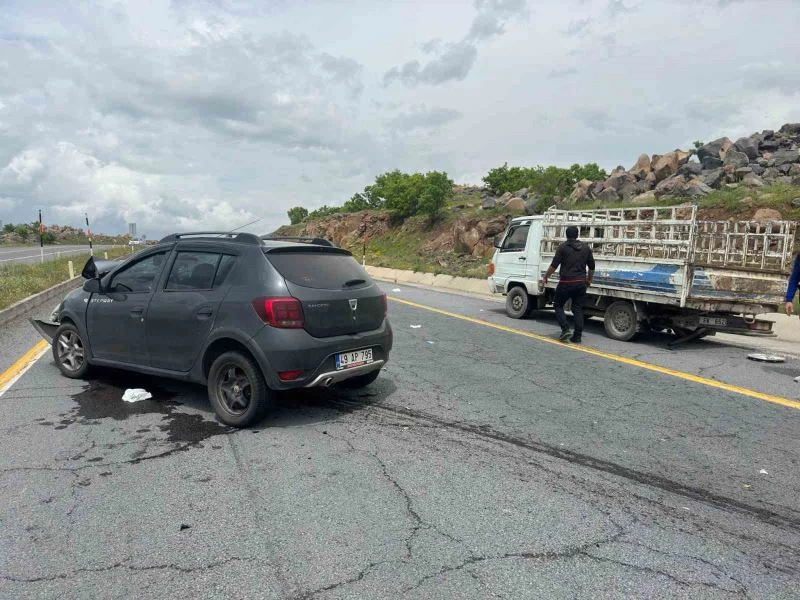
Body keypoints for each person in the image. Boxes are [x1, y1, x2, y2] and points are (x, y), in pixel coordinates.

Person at [542, 225, 595, 343]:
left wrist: (546, 276)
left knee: (557, 305)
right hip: (581, 283)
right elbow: (592, 267)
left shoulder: (563, 248)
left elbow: (554, 265)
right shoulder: (586, 248)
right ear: (577, 235)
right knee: (577, 308)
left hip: (566, 282)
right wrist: (589, 280)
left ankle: (565, 329)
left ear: (566, 235)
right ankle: (577, 336)